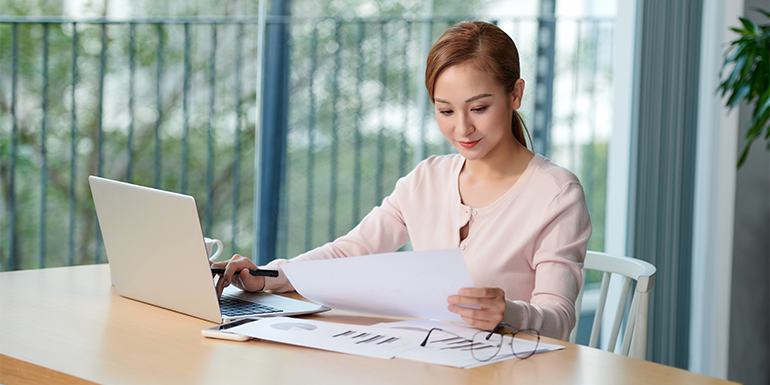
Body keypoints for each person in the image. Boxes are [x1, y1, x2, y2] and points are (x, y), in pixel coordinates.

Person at [212, 20, 591, 341]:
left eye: (479, 108)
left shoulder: (556, 193)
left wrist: (509, 312)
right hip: (424, 357)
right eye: (445, 110)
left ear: (516, 94)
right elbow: (350, 252)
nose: (462, 128)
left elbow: (558, 317)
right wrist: (265, 276)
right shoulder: (426, 179)